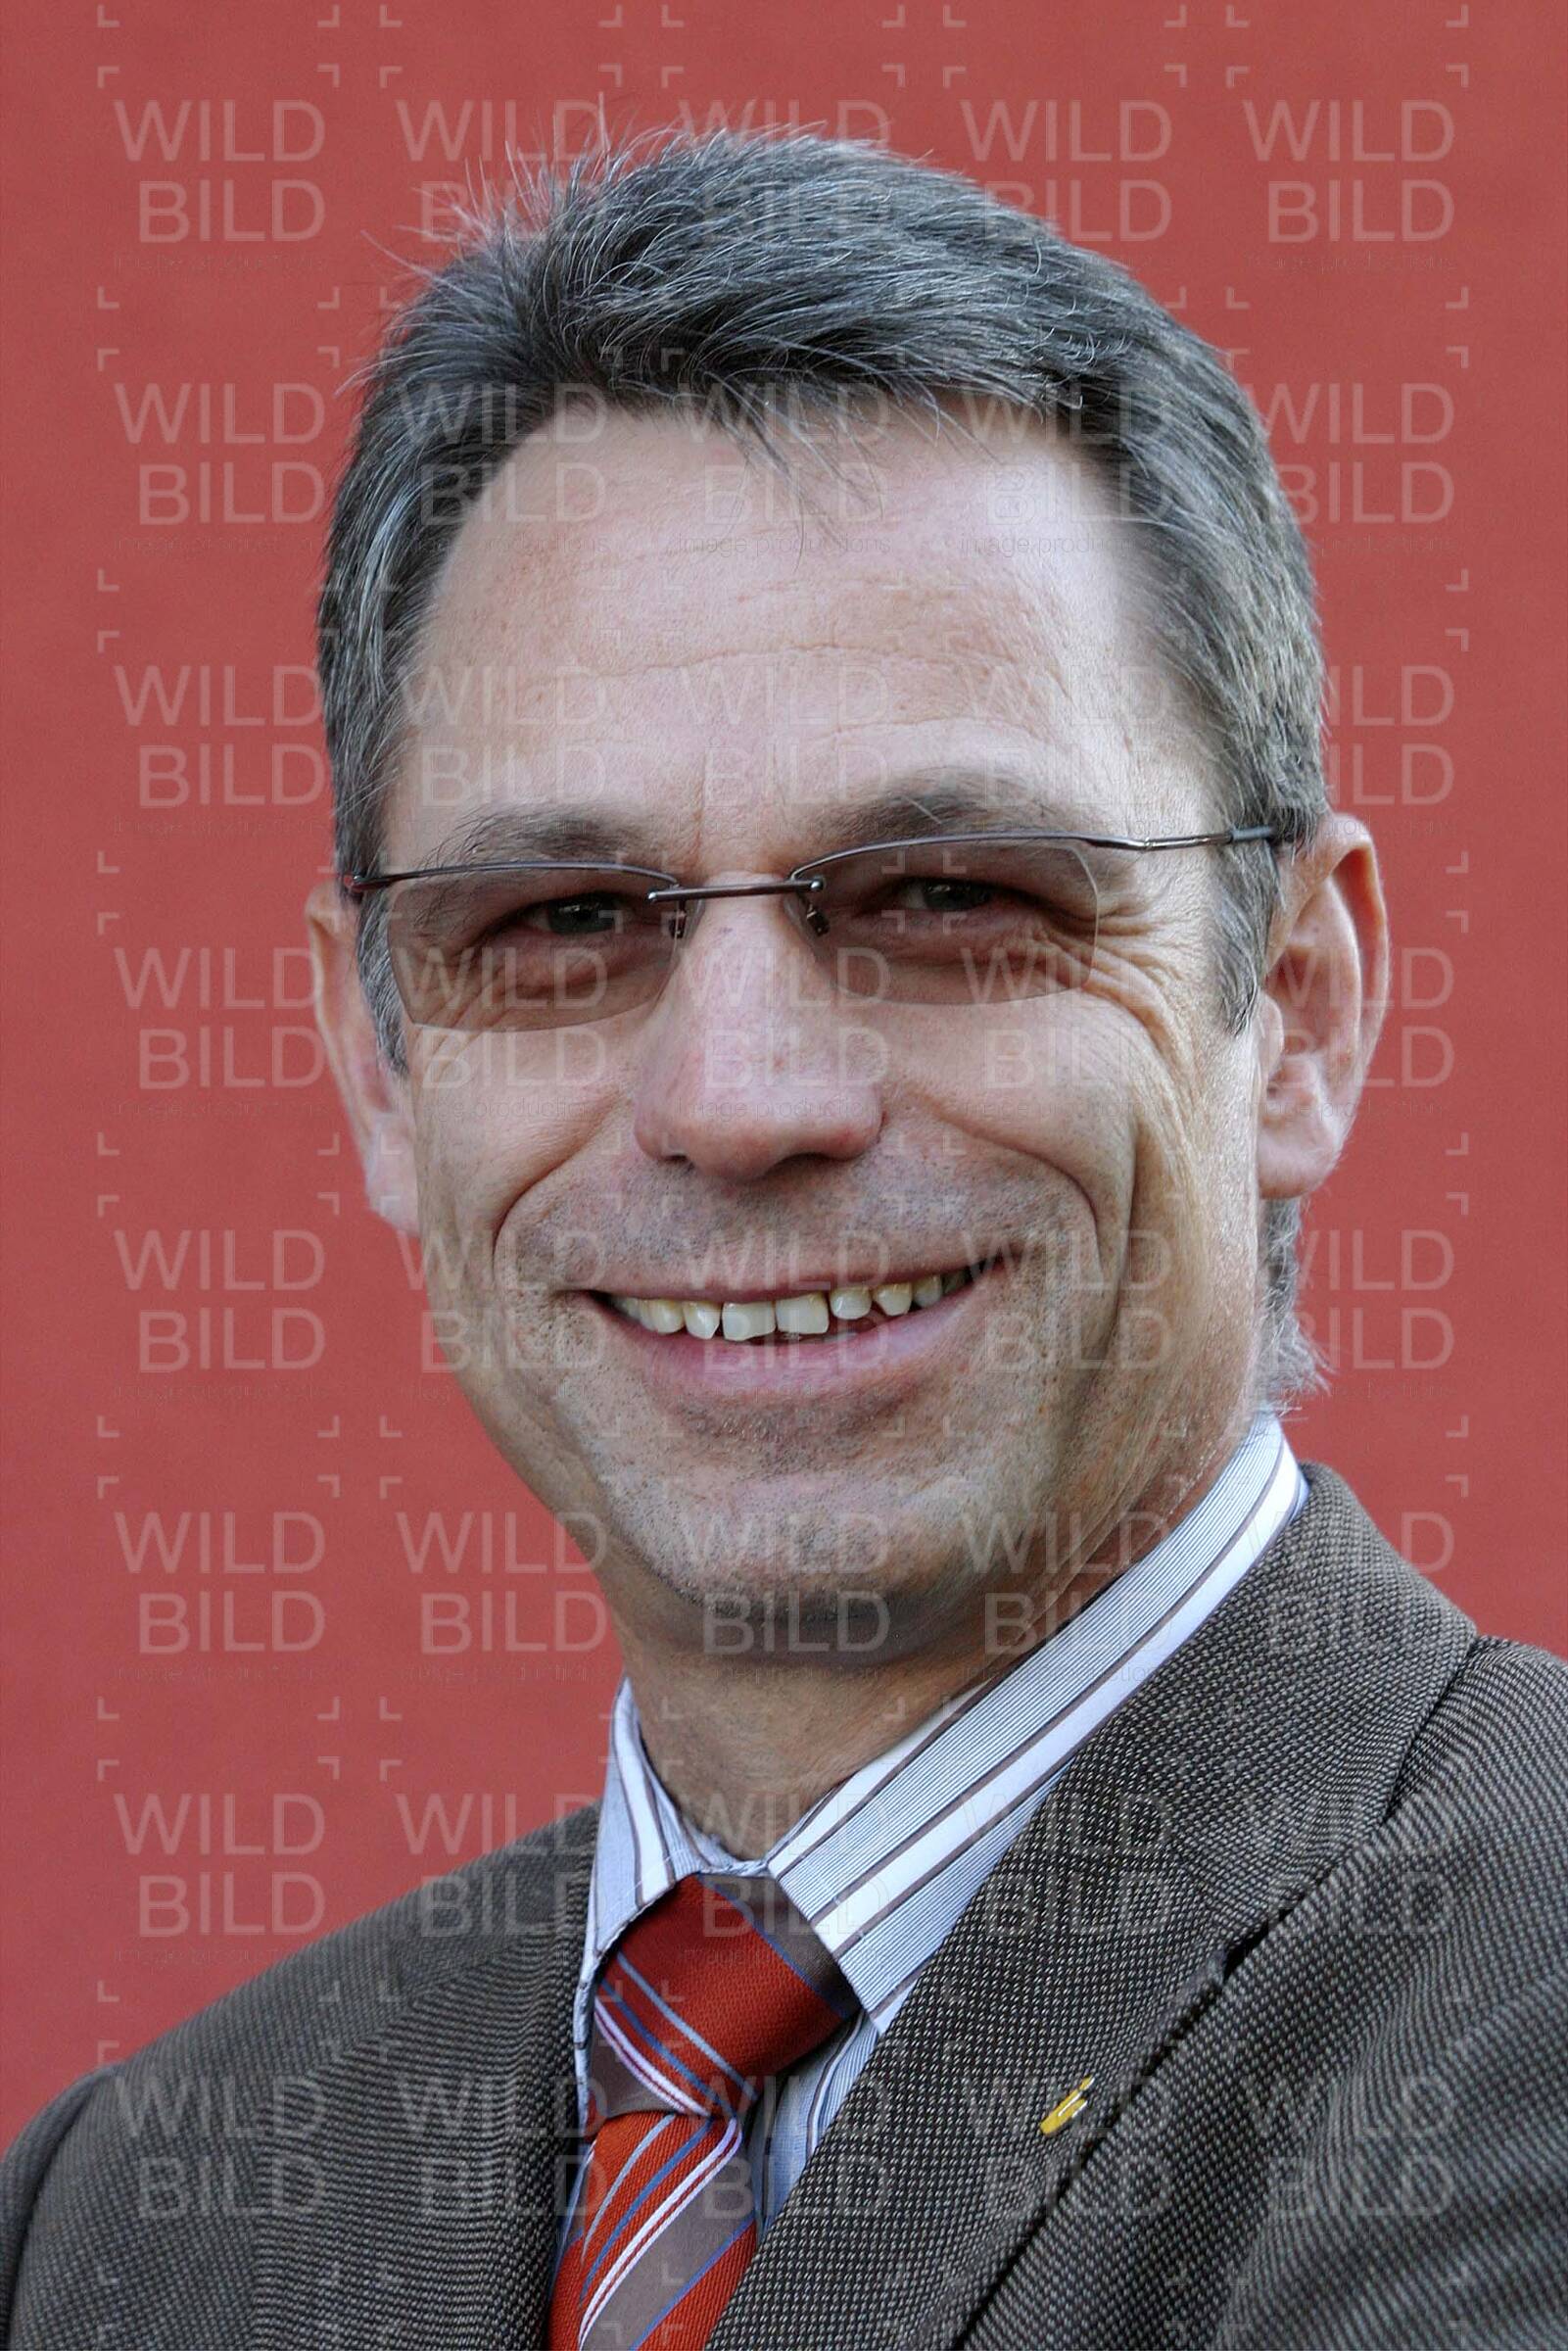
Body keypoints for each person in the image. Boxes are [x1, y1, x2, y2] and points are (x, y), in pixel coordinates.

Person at [4, 126, 1563, 2351]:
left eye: (949, 896)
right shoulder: (116, 2227)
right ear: (379, 1070)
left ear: (1295, 1008)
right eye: (562, 922)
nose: (739, 1099)